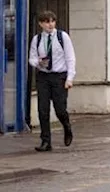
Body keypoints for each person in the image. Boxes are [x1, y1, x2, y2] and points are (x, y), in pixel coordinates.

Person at [28, 11, 74, 152]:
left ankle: (67, 126)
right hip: (44, 76)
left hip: (59, 76)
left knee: (60, 109)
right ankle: (46, 141)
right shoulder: (37, 39)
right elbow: (32, 58)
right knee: (43, 110)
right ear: (41, 24)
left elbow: (70, 58)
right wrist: (38, 63)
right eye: (47, 22)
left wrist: (70, 78)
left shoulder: (62, 37)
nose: (50, 24)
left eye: (52, 21)